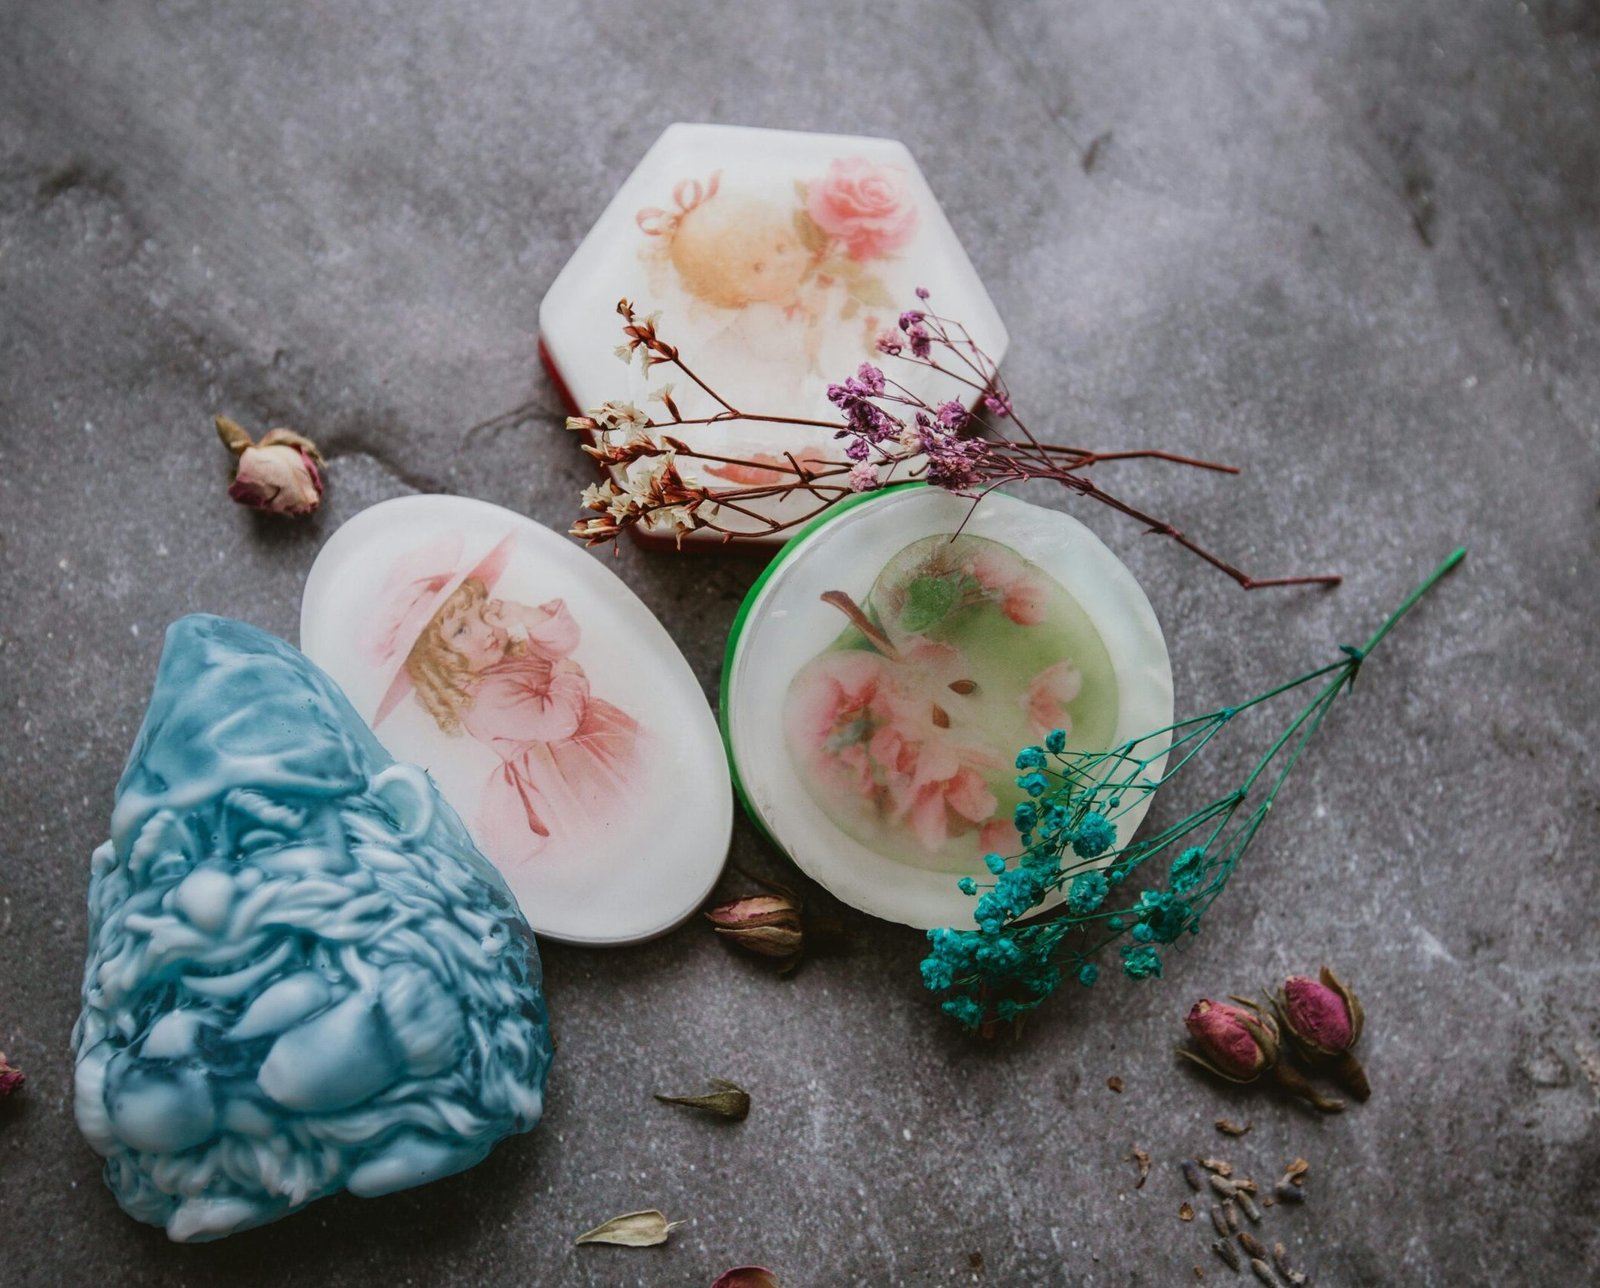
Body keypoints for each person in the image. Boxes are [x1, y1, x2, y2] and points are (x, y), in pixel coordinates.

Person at [403, 577, 641, 864]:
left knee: (637, 785)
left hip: (585, 745)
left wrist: (526, 616)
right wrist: (568, 676)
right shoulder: (485, 701)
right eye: (462, 630)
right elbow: (558, 723)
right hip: (562, 774)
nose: (485, 630)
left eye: (482, 614)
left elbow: (564, 642)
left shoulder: (503, 658)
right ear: (439, 661)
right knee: (614, 820)